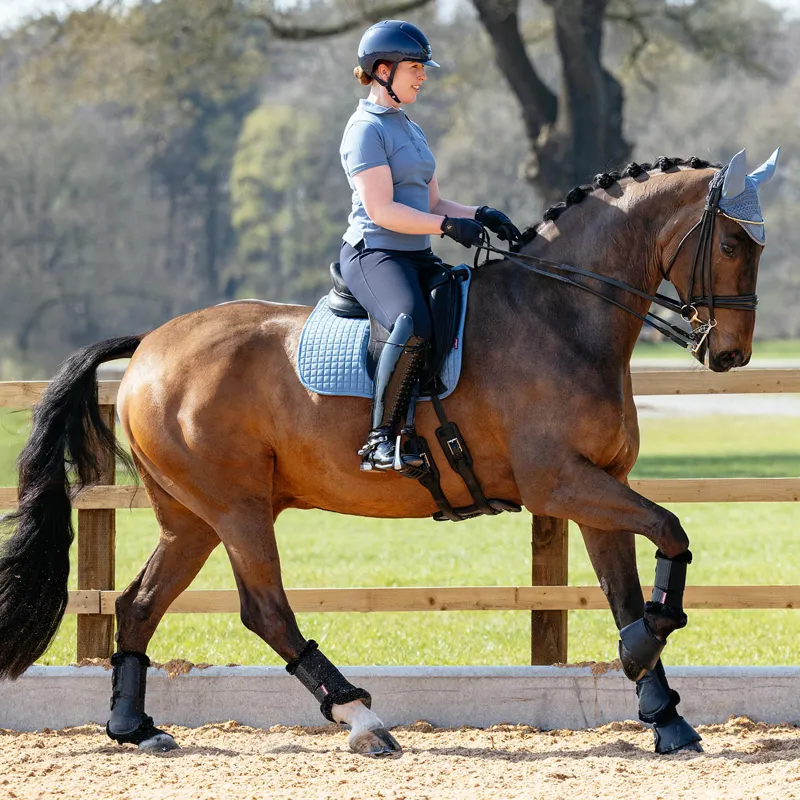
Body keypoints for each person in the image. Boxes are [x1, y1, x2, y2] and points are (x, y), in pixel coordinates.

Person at [339, 19, 521, 474]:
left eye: (423, 67)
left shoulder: (410, 128)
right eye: (415, 66)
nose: (423, 75)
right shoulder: (365, 130)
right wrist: (445, 226)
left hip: (415, 254)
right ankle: (381, 440)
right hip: (373, 253)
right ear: (383, 70)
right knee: (412, 322)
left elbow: (435, 201)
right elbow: (381, 210)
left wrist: (478, 214)